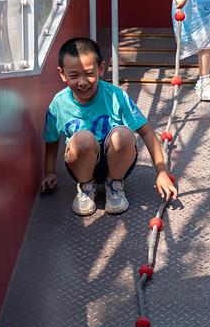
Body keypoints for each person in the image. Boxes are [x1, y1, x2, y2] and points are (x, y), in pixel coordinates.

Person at [41, 37, 177, 216]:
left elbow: (147, 133)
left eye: (89, 73)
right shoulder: (59, 104)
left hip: (117, 163)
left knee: (123, 134)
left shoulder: (116, 96)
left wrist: (161, 171)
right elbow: (52, 140)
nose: (82, 82)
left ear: (101, 68)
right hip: (81, 163)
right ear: (62, 74)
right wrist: (50, 172)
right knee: (82, 139)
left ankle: (115, 185)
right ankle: (85, 188)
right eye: (74, 76)